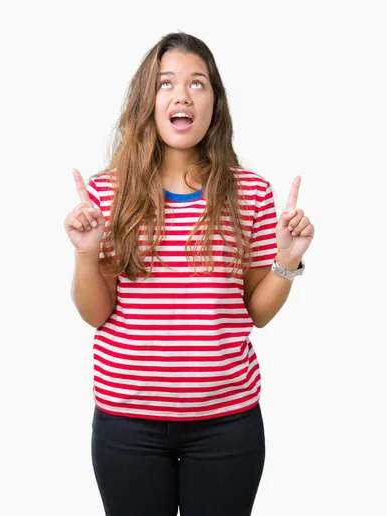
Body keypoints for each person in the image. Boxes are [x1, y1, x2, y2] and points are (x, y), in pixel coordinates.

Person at [64, 32, 315, 516]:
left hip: (227, 425)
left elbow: (256, 314)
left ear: (215, 102)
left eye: (197, 83)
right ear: (147, 102)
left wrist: (286, 261)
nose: (181, 95)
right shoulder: (106, 194)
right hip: (126, 423)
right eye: (166, 84)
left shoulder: (251, 195)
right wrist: (85, 253)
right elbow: (95, 314)